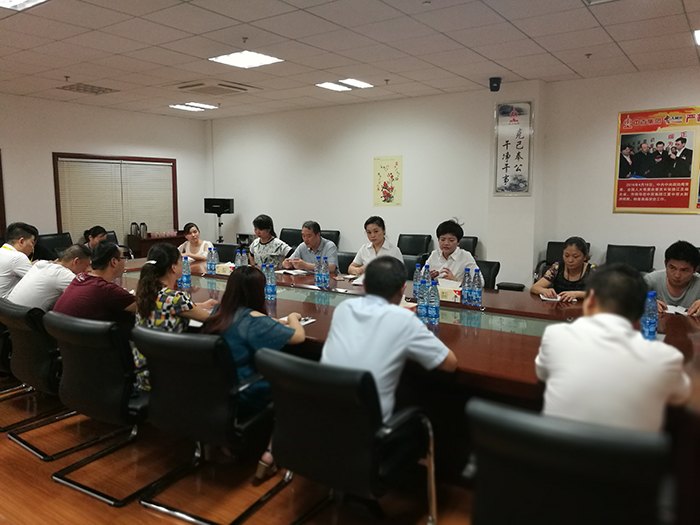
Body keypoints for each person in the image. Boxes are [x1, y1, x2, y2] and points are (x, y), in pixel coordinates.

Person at [535, 263, 691, 432]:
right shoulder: (665, 357)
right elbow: (682, 396)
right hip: (629, 449)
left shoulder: (555, 336)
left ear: (590, 300)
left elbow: (542, 374)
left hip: (558, 446)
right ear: (641, 310)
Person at [322, 256, 457, 423]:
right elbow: (450, 364)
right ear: (402, 289)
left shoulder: (344, 308)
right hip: (371, 428)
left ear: (364, 285)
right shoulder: (404, 320)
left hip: (325, 418)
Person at [204, 266, 305, 481]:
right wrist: (294, 317)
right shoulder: (255, 320)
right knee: (292, 386)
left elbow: (258, 323)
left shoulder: (219, 311)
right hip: (247, 390)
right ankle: (270, 452)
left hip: (218, 389)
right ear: (258, 292)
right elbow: (298, 337)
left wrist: (273, 323)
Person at [135, 244, 218, 332]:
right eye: (181, 260)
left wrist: (202, 305)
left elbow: (167, 304)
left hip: (145, 341)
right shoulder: (177, 298)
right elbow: (211, 318)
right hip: (171, 341)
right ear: (173, 268)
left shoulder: (145, 292)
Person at [53, 241, 136, 327]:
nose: (124, 262)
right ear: (114, 262)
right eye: (123, 258)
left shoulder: (81, 277)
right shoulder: (105, 289)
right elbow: (141, 307)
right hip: (79, 333)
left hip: (60, 331)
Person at [8, 244, 90, 311]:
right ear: (76, 261)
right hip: (26, 321)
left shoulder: (40, 264)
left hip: (9, 314)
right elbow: (87, 297)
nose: (87, 270)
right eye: (86, 265)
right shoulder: (64, 274)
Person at [530, 236, 595, 302]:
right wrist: (545, 291)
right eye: (566, 255)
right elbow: (534, 287)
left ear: (585, 257)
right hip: (558, 305)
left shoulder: (592, 270)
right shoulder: (557, 267)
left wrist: (577, 294)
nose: (570, 260)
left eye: (575, 256)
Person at [644, 240, 700, 315]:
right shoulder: (652, 279)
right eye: (672, 268)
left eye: (684, 270)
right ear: (665, 264)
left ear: (695, 269)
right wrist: (644, 301)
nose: (677, 275)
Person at [0, 222, 38, 298]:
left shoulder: (3, 252)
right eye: (32, 243)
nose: (32, 248)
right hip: (6, 303)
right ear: (21, 241)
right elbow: (38, 281)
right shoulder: (18, 257)